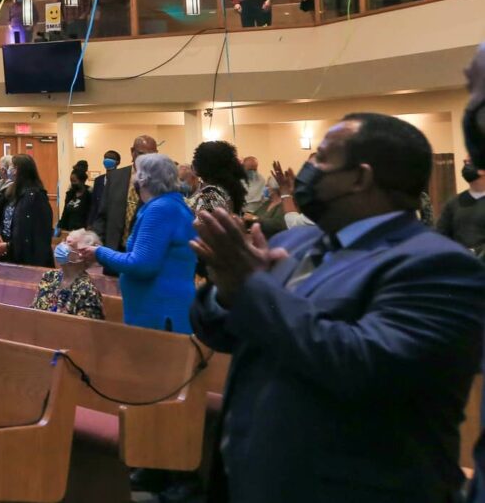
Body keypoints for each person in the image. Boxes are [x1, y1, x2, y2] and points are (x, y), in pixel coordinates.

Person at [191, 113, 485, 503]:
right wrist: (227, 291)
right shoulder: (298, 244)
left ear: (360, 178)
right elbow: (225, 332)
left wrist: (252, 287)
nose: (307, 169)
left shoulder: (437, 265)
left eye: (322, 159)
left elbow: (363, 364)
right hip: (258, 478)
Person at [84, 152, 195, 332]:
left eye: (137, 173)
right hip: (159, 309)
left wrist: (99, 252)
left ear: (144, 180)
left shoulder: (160, 209)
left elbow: (142, 264)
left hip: (159, 313)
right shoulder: (170, 204)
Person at [92, 135, 156, 254]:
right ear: (132, 152)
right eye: (142, 154)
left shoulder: (160, 181)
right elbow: (102, 215)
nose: (147, 160)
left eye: (151, 155)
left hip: (143, 254)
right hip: (114, 251)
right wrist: (96, 244)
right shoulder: (115, 177)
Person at [0, 154, 53, 266]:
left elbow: (35, 233)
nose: (10, 170)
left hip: (25, 256)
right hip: (6, 252)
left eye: (13, 167)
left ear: (22, 171)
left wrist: (8, 246)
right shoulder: (10, 192)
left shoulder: (36, 196)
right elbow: (2, 218)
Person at [30, 229, 105, 319]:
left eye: (69, 244)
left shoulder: (88, 291)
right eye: (64, 241)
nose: (61, 246)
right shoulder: (49, 276)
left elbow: (84, 329)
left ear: (80, 256)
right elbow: (32, 313)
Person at [436, 161, 485, 255]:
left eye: (472, 161)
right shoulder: (453, 203)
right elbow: (440, 235)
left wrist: (475, 252)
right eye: (465, 162)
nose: (467, 165)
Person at [57, 164, 93, 232]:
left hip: (84, 231)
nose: (72, 183)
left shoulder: (89, 194)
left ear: (82, 181)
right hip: (70, 230)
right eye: (71, 181)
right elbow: (65, 212)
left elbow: (91, 213)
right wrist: (60, 226)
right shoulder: (70, 194)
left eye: (74, 181)